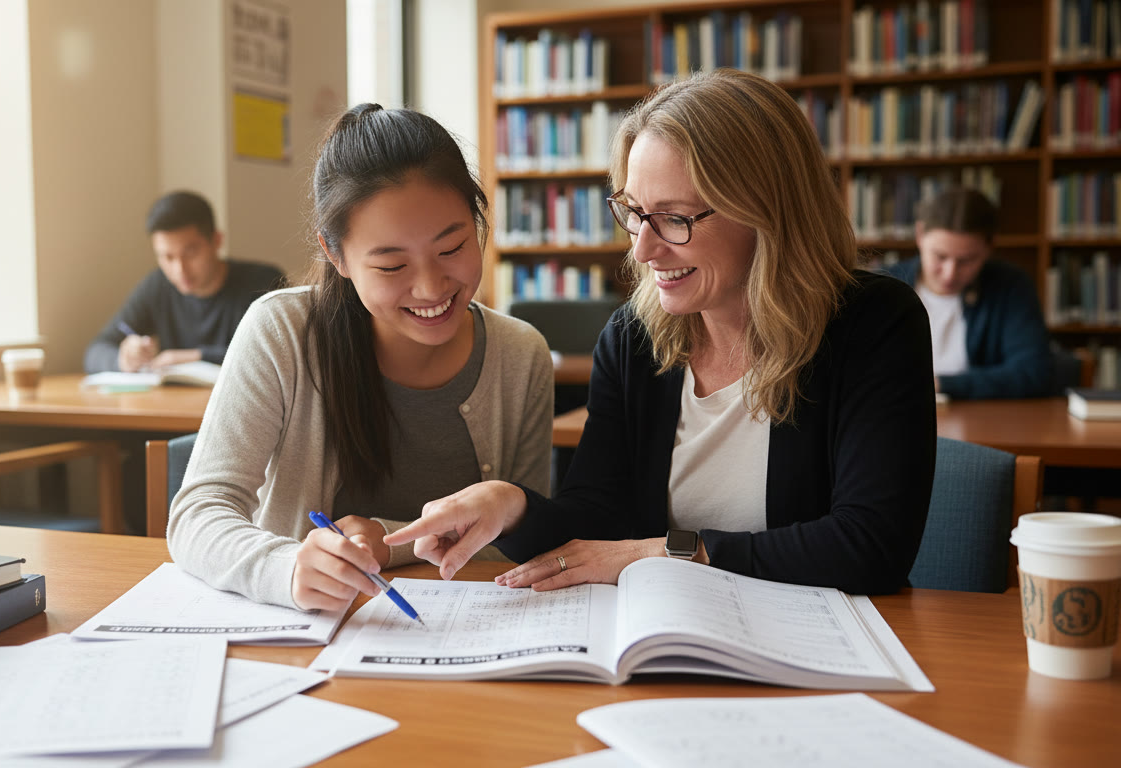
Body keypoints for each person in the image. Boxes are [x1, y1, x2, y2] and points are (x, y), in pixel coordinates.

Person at [387, 69, 936, 597]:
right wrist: (512, 507)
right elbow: (597, 523)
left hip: (820, 652)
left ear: (766, 211)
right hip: (676, 637)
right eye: (634, 212)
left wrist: (666, 553)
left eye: (675, 218)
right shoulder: (634, 338)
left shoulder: (873, 322)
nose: (643, 250)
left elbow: (870, 548)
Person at [167, 105, 555, 611]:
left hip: (458, 641)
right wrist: (285, 569)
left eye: (453, 246)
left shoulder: (521, 355)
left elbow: (520, 542)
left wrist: (384, 540)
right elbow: (199, 513)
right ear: (337, 255)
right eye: (392, 265)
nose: (431, 287)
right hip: (305, 642)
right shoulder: (283, 332)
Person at [84, 190, 286, 373]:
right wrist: (124, 359)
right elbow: (95, 352)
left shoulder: (263, 282)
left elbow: (278, 355)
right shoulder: (157, 286)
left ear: (216, 241)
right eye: (167, 257)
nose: (179, 270)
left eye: (190, 253)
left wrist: (195, 357)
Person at [882, 187, 1053, 399]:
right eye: (940, 256)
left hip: (981, 423)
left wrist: (942, 384)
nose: (950, 274)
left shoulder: (1010, 287)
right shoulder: (883, 285)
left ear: (989, 247)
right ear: (920, 235)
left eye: (966, 260)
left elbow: (1033, 372)